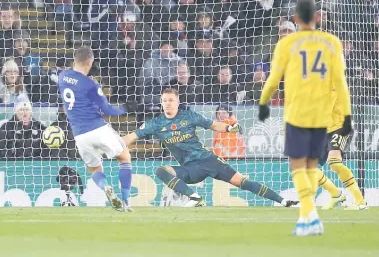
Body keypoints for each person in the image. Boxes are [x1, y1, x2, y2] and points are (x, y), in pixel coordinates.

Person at [258, 0, 353, 236]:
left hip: (298, 112)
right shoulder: (331, 42)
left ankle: (307, 217)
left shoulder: (287, 44)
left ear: (296, 18)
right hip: (322, 115)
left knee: (299, 166)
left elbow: (273, 78)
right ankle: (310, 218)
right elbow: (341, 82)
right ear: (318, 17)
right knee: (312, 166)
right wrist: (347, 114)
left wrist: (263, 102)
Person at [122, 89, 298, 208]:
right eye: (164, 100)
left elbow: (213, 125)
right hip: (189, 169)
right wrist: (113, 143)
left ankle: (284, 201)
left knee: (242, 182)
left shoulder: (189, 116)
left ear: (178, 101)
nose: (168, 103)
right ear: (161, 103)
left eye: (171, 100)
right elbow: (131, 137)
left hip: (209, 160)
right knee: (162, 171)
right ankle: (194, 197)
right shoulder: (155, 123)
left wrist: (229, 128)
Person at [57, 46, 135, 211]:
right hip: (97, 128)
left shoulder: (62, 77)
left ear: (75, 60)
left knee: (94, 168)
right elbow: (108, 110)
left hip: (79, 134)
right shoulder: (90, 84)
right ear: (89, 62)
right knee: (124, 156)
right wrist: (126, 108)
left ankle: (106, 186)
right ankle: (126, 202)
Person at [317, 89, 367, 210]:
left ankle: (360, 202)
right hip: (326, 130)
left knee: (334, 162)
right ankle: (336, 194)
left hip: (341, 127)